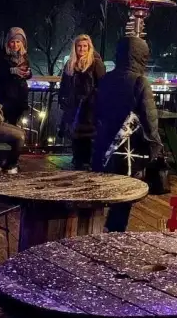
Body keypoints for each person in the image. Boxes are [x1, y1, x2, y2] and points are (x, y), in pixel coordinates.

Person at [91, 36, 163, 231]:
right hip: (128, 147)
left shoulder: (106, 79)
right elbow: (149, 120)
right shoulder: (140, 81)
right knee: (124, 194)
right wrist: (155, 148)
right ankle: (115, 230)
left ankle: (93, 229)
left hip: (104, 143)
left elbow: (95, 111)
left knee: (101, 190)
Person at [59, 34, 107, 170]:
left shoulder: (95, 63)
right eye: (79, 46)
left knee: (88, 134)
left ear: (89, 47)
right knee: (75, 133)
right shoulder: (70, 64)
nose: (82, 49)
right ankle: (77, 159)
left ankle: (87, 160)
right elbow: (64, 84)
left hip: (89, 105)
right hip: (74, 104)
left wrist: (95, 98)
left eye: (85, 46)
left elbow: (102, 83)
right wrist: (63, 99)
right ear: (75, 48)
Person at [0, 27, 31, 126]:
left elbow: (27, 73)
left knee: (15, 125)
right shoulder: (0, 54)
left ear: (22, 42)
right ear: (8, 42)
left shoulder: (24, 55)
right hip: (4, 96)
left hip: (20, 97)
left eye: (18, 42)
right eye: (12, 42)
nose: (15, 45)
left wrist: (28, 73)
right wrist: (11, 71)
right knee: (2, 125)